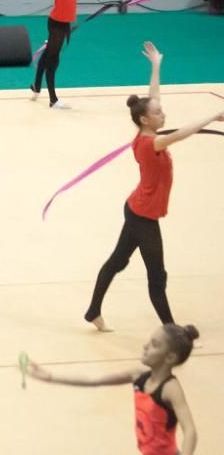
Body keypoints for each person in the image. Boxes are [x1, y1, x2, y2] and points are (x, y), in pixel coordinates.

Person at [84, 42, 224, 332]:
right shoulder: (152, 143)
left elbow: (154, 97)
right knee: (157, 276)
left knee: (118, 261)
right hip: (143, 216)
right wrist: (211, 116)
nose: (164, 115)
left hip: (138, 208)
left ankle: (92, 311)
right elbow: (184, 133)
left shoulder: (147, 131)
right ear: (146, 120)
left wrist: (156, 65)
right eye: (159, 114)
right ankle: (173, 332)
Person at [25, 324, 199, 455]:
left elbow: (190, 430)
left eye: (154, 345)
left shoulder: (170, 389)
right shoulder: (139, 376)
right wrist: (50, 376)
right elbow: (95, 381)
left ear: (170, 357)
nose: (145, 346)